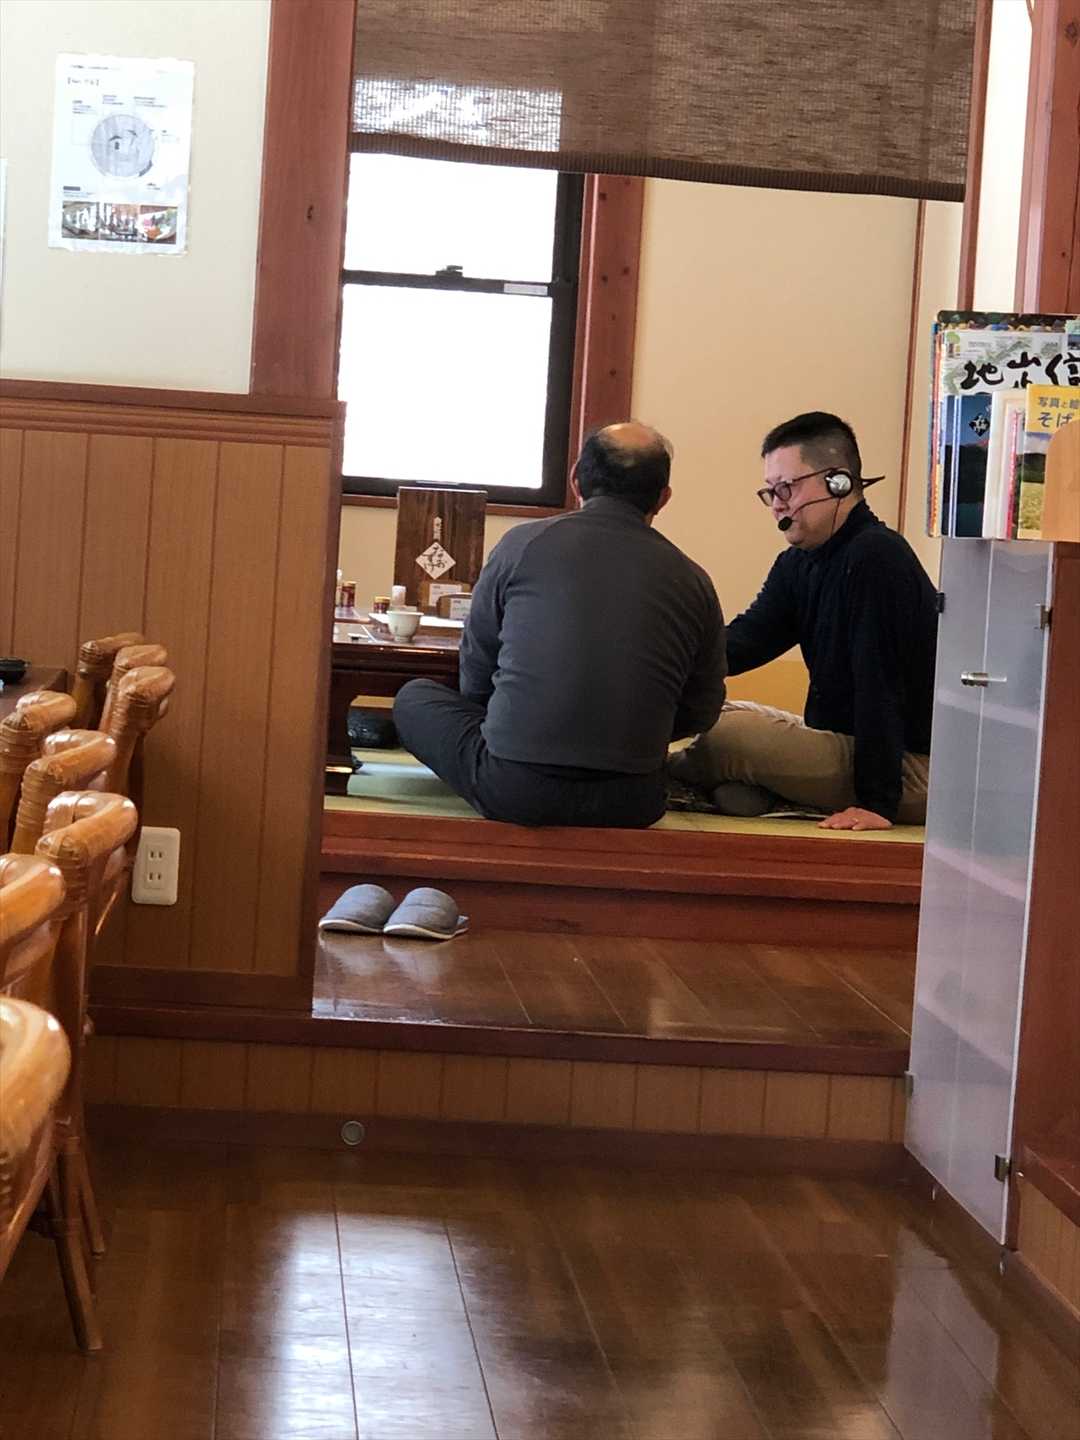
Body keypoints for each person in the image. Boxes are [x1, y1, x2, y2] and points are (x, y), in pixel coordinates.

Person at [393, 422, 726, 828]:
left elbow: (477, 672)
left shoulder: (521, 545)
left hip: (516, 790)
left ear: (575, 480)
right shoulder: (694, 579)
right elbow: (701, 709)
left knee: (413, 698)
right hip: (634, 801)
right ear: (664, 497)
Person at [670, 411, 937, 830]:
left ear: (838, 482)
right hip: (842, 744)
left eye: (787, 488)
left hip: (906, 766)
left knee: (729, 736)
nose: (777, 503)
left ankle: (660, 773)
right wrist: (662, 660)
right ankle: (748, 789)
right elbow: (741, 644)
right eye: (771, 491)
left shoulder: (876, 557)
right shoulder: (798, 563)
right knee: (719, 713)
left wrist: (876, 804)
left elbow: (880, 684)